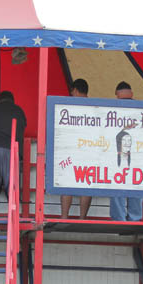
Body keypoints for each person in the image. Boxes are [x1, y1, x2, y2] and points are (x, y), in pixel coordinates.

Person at [109, 82, 143, 222]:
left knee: (118, 184)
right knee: (137, 184)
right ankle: (134, 219)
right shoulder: (142, 110)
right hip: (136, 153)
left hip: (122, 152)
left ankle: (119, 219)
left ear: (116, 95)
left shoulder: (113, 110)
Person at [59, 78, 92, 219]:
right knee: (87, 184)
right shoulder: (94, 106)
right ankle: (82, 217)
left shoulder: (69, 106)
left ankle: (64, 216)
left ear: (76, 90)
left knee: (67, 182)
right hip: (90, 149)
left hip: (72, 148)